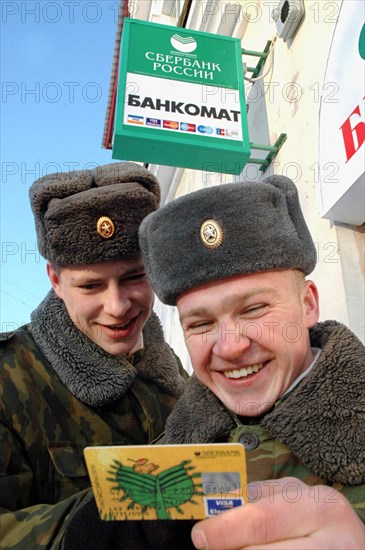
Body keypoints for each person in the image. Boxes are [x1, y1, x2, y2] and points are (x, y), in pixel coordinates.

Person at [137, 175, 365, 549]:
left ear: (308, 304)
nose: (229, 347)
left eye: (255, 309)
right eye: (201, 323)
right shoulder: (168, 452)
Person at [0, 162, 188, 549]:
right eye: (90, 285)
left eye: (134, 277)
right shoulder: (9, 380)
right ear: (55, 280)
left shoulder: (173, 369)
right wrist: (99, 529)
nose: (117, 306)